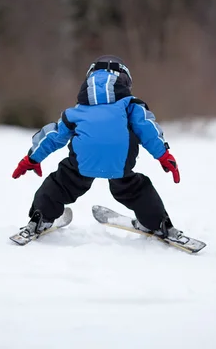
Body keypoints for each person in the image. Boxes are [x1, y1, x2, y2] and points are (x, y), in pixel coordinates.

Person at [11, 55, 183, 240]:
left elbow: (53, 136)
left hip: (83, 160)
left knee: (61, 184)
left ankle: (40, 217)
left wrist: (32, 158)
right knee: (134, 189)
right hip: (120, 160)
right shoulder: (130, 106)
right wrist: (163, 155)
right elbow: (148, 129)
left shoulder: (77, 111)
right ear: (125, 81)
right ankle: (158, 223)